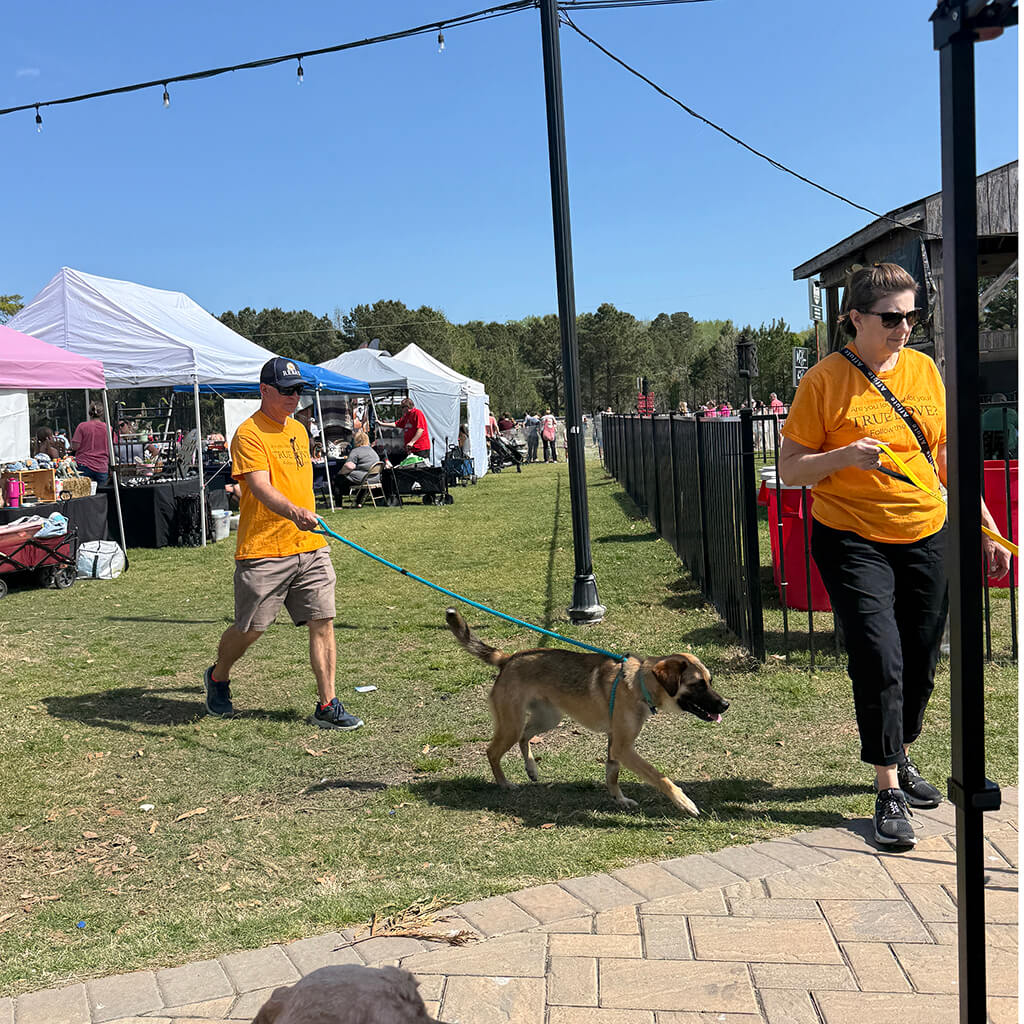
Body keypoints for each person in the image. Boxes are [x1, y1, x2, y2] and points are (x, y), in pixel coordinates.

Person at [780, 263, 1009, 847]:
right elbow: (789, 471)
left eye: (912, 316)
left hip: (926, 530)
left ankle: (901, 754)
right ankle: (887, 787)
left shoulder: (926, 371)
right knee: (879, 655)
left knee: (922, 653)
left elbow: (945, 458)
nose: (904, 327)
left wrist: (984, 528)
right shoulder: (824, 381)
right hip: (852, 534)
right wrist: (844, 457)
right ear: (855, 318)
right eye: (891, 318)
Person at [203, 357, 363, 731]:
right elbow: (257, 486)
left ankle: (327, 704)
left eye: (298, 390)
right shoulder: (248, 434)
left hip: (309, 544)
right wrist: (294, 511)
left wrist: (304, 517)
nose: (295, 397)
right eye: (287, 390)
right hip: (264, 549)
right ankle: (218, 675)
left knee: (323, 621)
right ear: (264, 391)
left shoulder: (298, 431)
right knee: (251, 629)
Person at [71, 404, 115, 485]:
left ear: (89, 413)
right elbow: (113, 447)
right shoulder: (109, 428)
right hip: (102, 466)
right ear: (102, 414)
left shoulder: (82, 426)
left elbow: (75, 447)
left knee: (83, 493)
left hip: (84, 465)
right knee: (102, 494)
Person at [335, 430, 380, 502]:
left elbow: (349, 466)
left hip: (364, 478)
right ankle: (359, 502)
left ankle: (338, 504)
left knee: (337, 480)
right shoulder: (372, 451)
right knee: (361, 479)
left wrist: (341, 472)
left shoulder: (356, 451)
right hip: (375, 478)